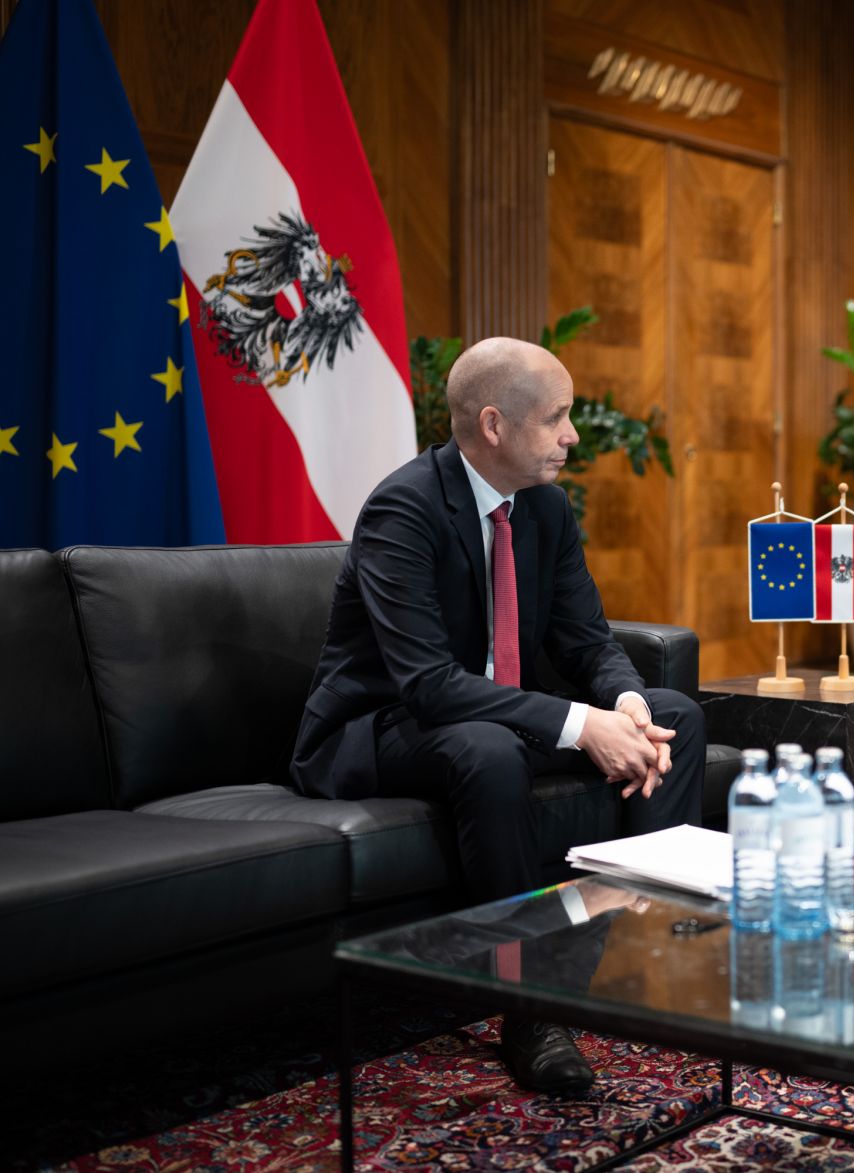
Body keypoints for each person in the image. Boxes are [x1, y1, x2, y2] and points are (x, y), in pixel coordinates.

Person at [292, 336, 706, 1096]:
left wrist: (625, 702)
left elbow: (587, 639)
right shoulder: (403, 508)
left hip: (489, 717)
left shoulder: (545, 509)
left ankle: (643, 959)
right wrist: (583, 725)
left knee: (674, 712)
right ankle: (530, 1012)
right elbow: (428, 686)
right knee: (487, 750)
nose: (572, 436)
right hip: (381, 726)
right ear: (494, 425)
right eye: (557, 418)